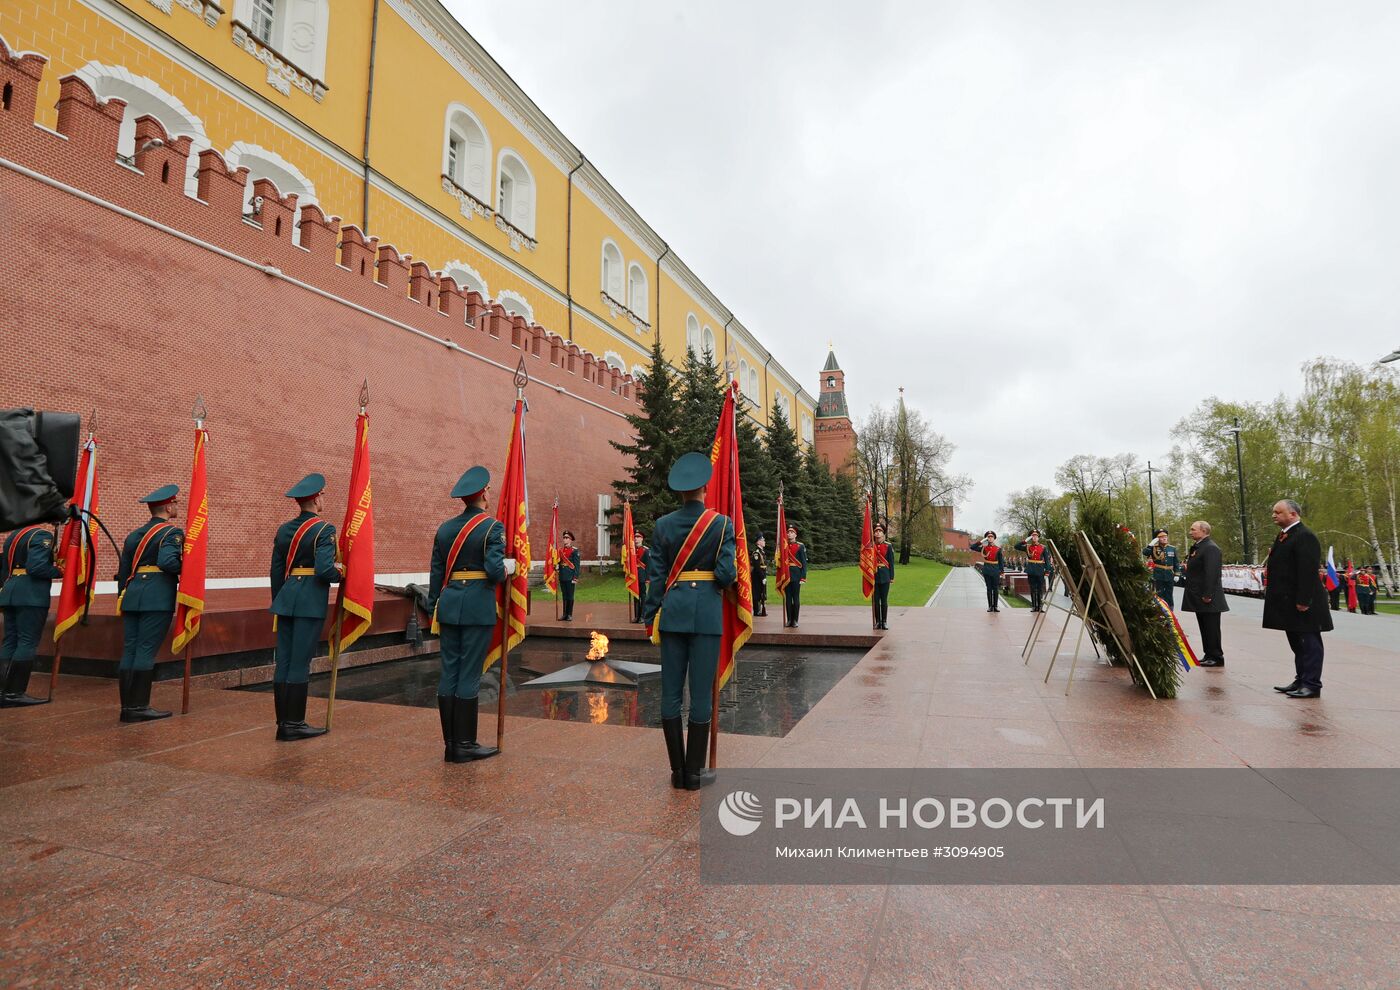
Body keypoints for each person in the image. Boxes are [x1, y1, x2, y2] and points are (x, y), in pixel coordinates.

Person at [642, 451, 737, 791]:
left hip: (673, 614)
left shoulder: (662, 525)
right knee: (700, 695)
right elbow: (727, 574)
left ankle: (677, 771)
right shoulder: (721, 524)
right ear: (704, 488)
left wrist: (649, 615)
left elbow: (655, 577)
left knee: (670, 694)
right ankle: (695, 775)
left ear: (680, 491)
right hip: (707, 616)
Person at [427, 466, 513, 762]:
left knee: (450, 671)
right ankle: (465, 744)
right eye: (488, 490)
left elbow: (436, 574)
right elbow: (493, 571)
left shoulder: (445, 529)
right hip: (477, 606)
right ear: (483, 493)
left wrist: (433, 608)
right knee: (470, 674)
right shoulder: (492, 528)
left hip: (449, 606)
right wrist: (507, 569)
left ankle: (451, 744)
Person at [268, 473, 342, 741]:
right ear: (316, 498)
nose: (323, 499)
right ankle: (295, 725)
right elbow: (324, 570)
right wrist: (341, 573)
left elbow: (276, 571)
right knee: (300, 662)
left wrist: (280, 599)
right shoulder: (324, 530)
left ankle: (283, 723)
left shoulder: (284, 530)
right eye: (322, 495)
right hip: (310, 601)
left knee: (285, 662)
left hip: (286, 599)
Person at [113, 485, 183, 722]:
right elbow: (167, 562)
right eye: (175, 504)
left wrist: (122, 595)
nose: (176, 507)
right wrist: (188, 569)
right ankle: (139, 707)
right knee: (145, 650)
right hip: (157, 596)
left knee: (130, 648)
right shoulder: (171, 533)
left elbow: (123, 572)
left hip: (132, 595)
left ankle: (127, 707)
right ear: (167, 506)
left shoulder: (134, 535)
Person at [1264, 499, 1332, 699]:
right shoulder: (1286, 535)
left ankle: (1311, 684)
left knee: (1309, 644)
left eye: (1278, 512)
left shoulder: (1304, 536)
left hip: (1304, 602)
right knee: (1298, 644)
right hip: (1289, 601)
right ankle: (1301, 679)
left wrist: (1304, 600)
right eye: (1273, 511)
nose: (1273, 515)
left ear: (1292, 514)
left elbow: (1307, 571)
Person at [0, 521, 63, 707]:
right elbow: (36, 567)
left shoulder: (13, 536)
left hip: (10, 591)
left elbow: (5, 567)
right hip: (30, 594)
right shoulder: (41, 536)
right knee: (27, 641)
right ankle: (15, 692)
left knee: (10, 640)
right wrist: (59, 570)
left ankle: (3, 690)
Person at [1181, 520, 1227, 668]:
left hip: (1208, 597)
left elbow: (1212, 573)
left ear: (1203, 531)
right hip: (1199, 595)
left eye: (1193, 529)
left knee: (1211, 627)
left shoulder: (1210, 548)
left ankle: (1216, 656)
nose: (1190, 532)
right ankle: (1208, 654)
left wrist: (1208, 594)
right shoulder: (1200, 546)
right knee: (1204, 626)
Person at [1142, 529, 1180, 609]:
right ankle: (1161, 611)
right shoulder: (1153, 548)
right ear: (1157, 538)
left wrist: (1177, 574)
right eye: (1161, 537)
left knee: (1169, 593)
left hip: (1169, 574)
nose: (1164, 538)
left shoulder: (1172, 548)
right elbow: (1145, 553)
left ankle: (1170, 611)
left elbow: (1176, 562)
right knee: (1160, 593)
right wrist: (1150, 545)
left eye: (1165, 536)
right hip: (1158, 574)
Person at [969, 530, 1004, 612]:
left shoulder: (998, 549)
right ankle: (990, 606)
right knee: (989, 588)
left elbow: (1001, 561)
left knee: (995, 589)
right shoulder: (984, 548)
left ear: (994, 538)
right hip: (987, 570)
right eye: (988, 537)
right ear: (986, 538)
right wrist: (982, 541)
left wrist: (1002, 572)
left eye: (991, 537)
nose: (990, 538)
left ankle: (995, 606)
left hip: (995, 570)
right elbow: (972, 547)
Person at [1014, 529, 1048, 612]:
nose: (1035, 537)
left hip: (1040, 570)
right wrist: (1025, 540)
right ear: (1031, 537)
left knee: (1040, 589)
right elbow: (1016, 546)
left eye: (1036, 536)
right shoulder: (1027, 546)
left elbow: (1047, 560)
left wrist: (1047, 571)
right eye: (1033, 536)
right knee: (1032, 588)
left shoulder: (1043, 547)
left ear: (1038, 537)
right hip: (1031, 570)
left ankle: (1039, 606)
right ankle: (1033, 606)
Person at [782, 524, 807, 628]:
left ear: (795, 534)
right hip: (787, 575)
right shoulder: (784, 545)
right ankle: (789, 620)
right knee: (788, 598)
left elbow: (804, 563)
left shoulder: (800, 546)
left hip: (796, 575)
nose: (789, 534)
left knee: (795, 598)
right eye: (788, 532)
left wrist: (803, 577)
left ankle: (795, 620)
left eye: (792, 532)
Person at [872, 522, 895, 629]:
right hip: (874, 576)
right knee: (876, 600)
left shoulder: (888, 546)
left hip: (885, 576)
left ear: (883, 533)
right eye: (876, 531)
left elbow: (891, 562)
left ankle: (884, 621)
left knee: (884, 600)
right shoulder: (871, 546)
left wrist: (891, 577)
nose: (878, 533)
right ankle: (878, 622)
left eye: (880, 531)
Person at [557, 530, 580, 621]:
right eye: (564, 538)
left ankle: (569, 614)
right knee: (564, 596)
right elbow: (559, 562)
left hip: (570, 577)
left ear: (571, 540)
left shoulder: (574, 551)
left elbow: (577, 566)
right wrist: (556, 566)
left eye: (567, 538)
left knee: (570, 596)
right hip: (562, 576)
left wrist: (575, 577)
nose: (565, 540)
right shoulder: (560, 550)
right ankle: (564, 614)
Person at [630, 528, 649, 624]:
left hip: (642, 576)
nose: (636, 539)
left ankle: (643, 616)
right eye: (635, 537)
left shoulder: (646, 551)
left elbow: (649, 565)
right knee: (635, 596)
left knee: (643, 596)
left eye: (638, 537)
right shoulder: (631, 551)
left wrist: (648, 578)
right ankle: (637, 616)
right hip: (633, 576)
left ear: (642, 539)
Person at [751, 533, 768, 617]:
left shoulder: (762, 552)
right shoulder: (756, 553)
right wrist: (762, 577)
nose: (764, 541)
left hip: (762, 574)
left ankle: (761, 609)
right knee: (756, 592)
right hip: (757, 575)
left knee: (762, 592)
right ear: (758, 542)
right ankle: (756, 610)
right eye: (762, 540)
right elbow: (757, 566)